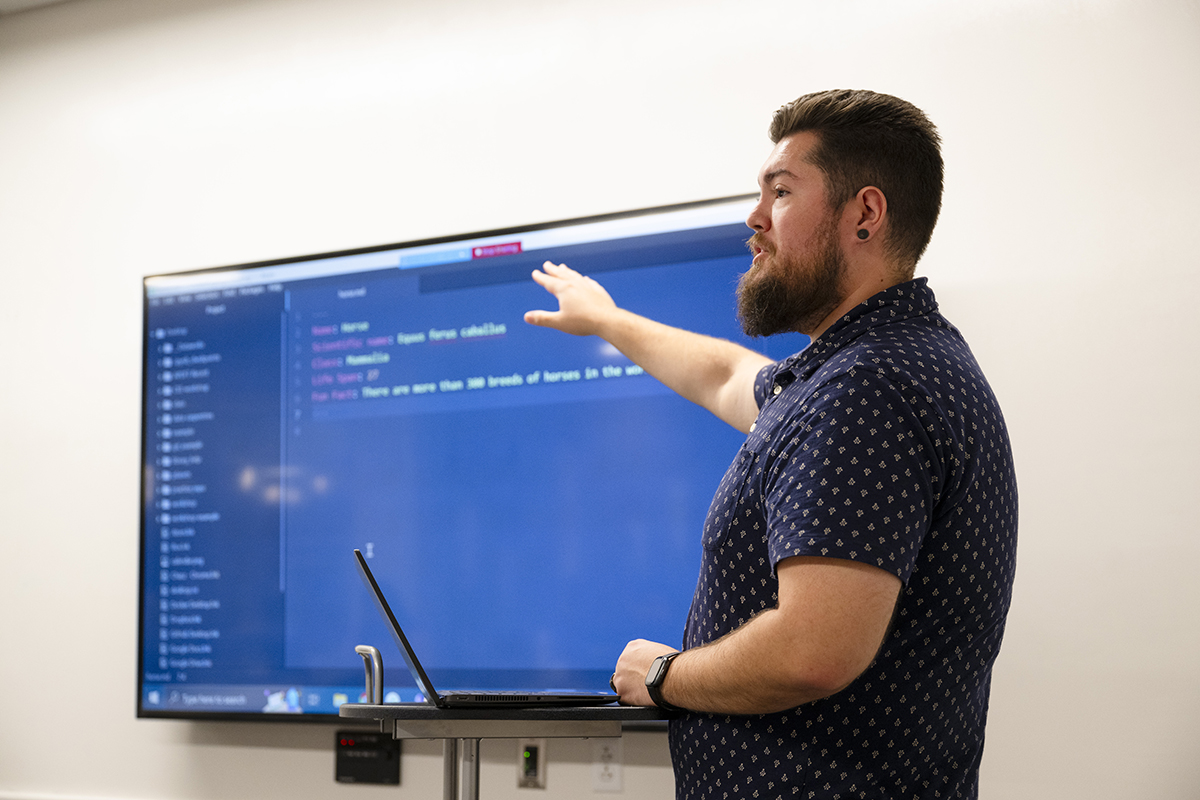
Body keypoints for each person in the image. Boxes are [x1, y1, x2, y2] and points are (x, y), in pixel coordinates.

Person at [524, 89, 1017, 799]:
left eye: (780, 193)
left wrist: (663, 677)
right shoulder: (873, 365)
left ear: (865, 215)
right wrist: (608, 320)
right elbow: (728, 376)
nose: (754, 220)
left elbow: (812, 653)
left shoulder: (868, 387)